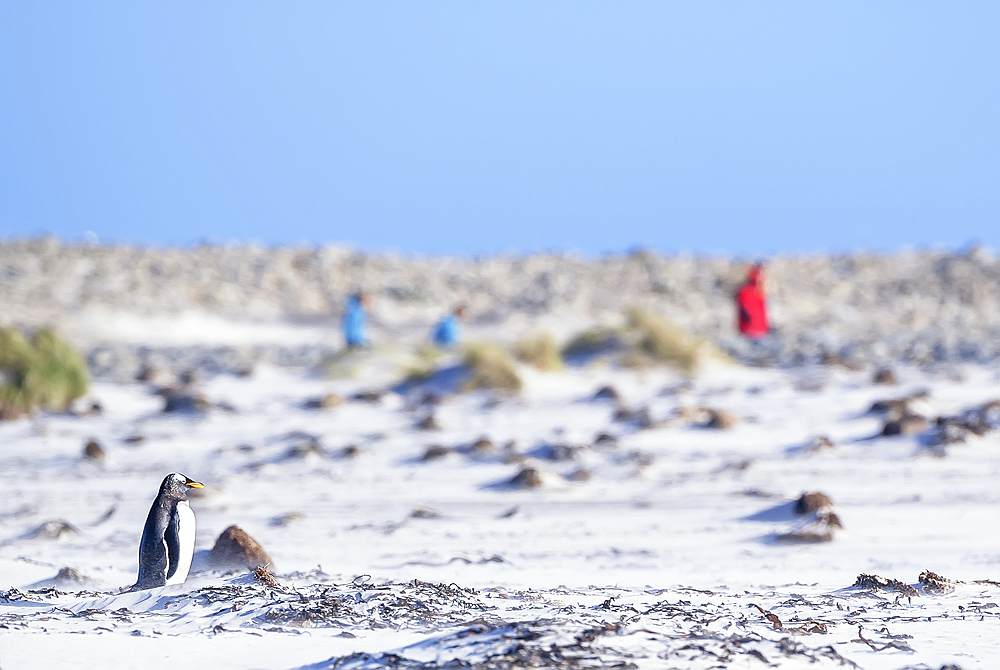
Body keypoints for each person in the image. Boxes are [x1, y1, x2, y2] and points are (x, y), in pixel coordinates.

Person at [736, 264, 769, 339]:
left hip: (760, 330)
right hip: (749, 331)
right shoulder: (745, 290)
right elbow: (744, 309)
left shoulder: (760, 291)